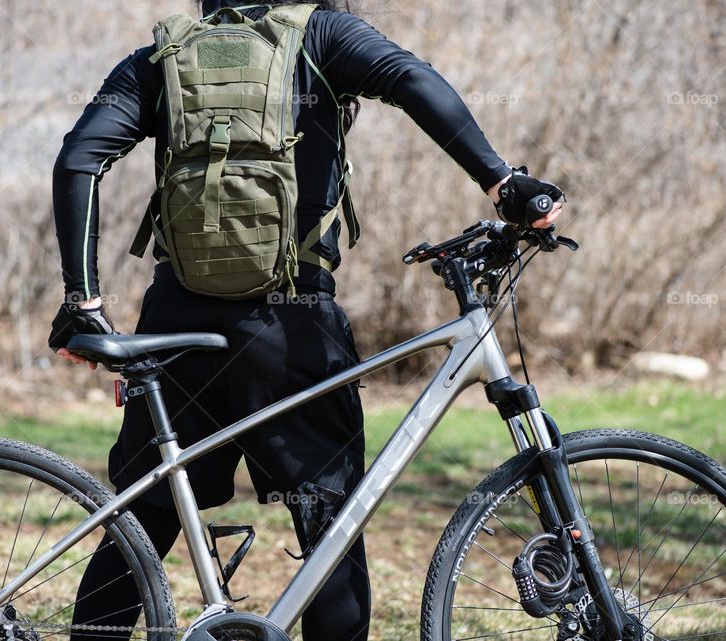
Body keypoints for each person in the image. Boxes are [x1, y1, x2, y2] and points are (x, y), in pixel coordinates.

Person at [48, 1, 564, 639]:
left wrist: (83, 301)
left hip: (175, 326)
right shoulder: (322, 35)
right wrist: (502, 182)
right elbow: (410, 77)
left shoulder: (165, 56)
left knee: (143, 522)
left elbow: (78, 159)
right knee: (331, 526)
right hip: (291, 329)